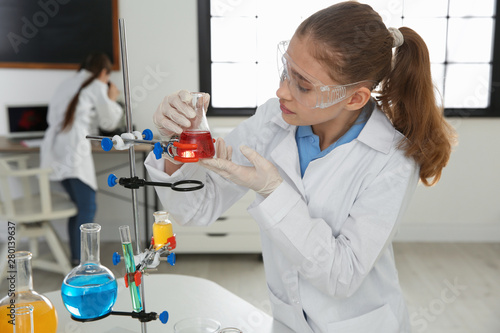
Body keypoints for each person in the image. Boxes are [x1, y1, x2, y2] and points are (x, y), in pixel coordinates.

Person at [145, 2, 456, 332]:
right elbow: (196, 210)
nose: (281, 91)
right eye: (285, 71)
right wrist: (180, 145)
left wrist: (273, 191)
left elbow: (342, 275)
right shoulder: (273, 119)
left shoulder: (391, 160)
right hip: (289, 322)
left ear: (354, 99)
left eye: (303, 85)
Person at [41, 53, 123, 265]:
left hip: (55, 148)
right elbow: (110, 121)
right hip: (73, 148)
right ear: (104, 72)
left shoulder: (67, 83)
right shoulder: (96, 85)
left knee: (79, 206)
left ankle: (77, 258)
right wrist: (111, 98)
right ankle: (85, 263)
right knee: (87, 207)